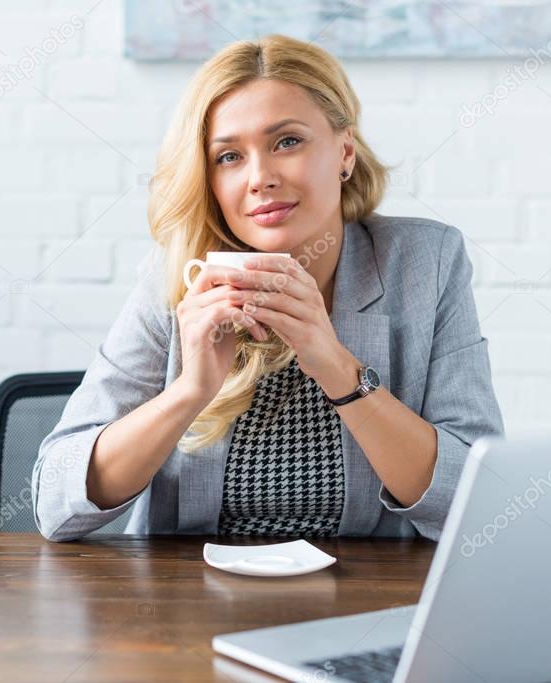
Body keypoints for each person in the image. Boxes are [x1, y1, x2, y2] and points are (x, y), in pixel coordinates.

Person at [32, 34, 504, 542]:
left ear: (344, 151)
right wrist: (190, 390)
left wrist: (340, 372)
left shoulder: (424, 263)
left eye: (287, 142)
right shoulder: (176, 277)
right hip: (192, 606)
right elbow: (55, 507)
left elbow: (479, 504)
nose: (260, 178)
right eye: (229, 157)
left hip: (364, 604)